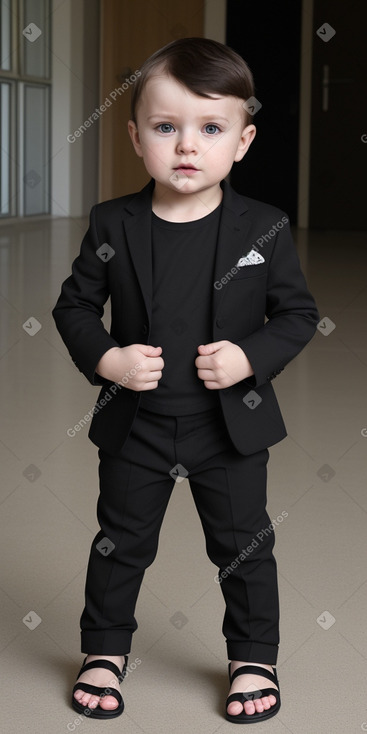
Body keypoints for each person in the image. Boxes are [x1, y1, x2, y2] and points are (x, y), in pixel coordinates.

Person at [53, 37, 319, 724]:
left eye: (210, 128)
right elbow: (75, 305)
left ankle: (252, 655)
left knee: (242, 544)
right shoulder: (114, 221)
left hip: (225, 427)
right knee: (120, 539)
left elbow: (295, 314)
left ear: (242, 140)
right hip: (136, 423)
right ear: (136, 135)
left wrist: (250, 357)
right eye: (165, 127)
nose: (185, 147)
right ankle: (104, 650)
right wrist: (108, 360)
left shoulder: (263, 227)